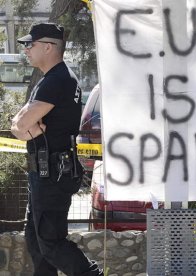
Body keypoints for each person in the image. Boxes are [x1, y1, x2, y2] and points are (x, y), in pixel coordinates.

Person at [11, 22, 103, 276]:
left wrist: (24, 125)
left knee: (50, 242)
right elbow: (19, 126)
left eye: (30, 44)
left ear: (48, 47)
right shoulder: (53, 79)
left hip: (52, 172)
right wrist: (23, 125)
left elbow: (22, 125)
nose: (26, 49)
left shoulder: (57, 80)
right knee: (36, 240)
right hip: (47, 171)